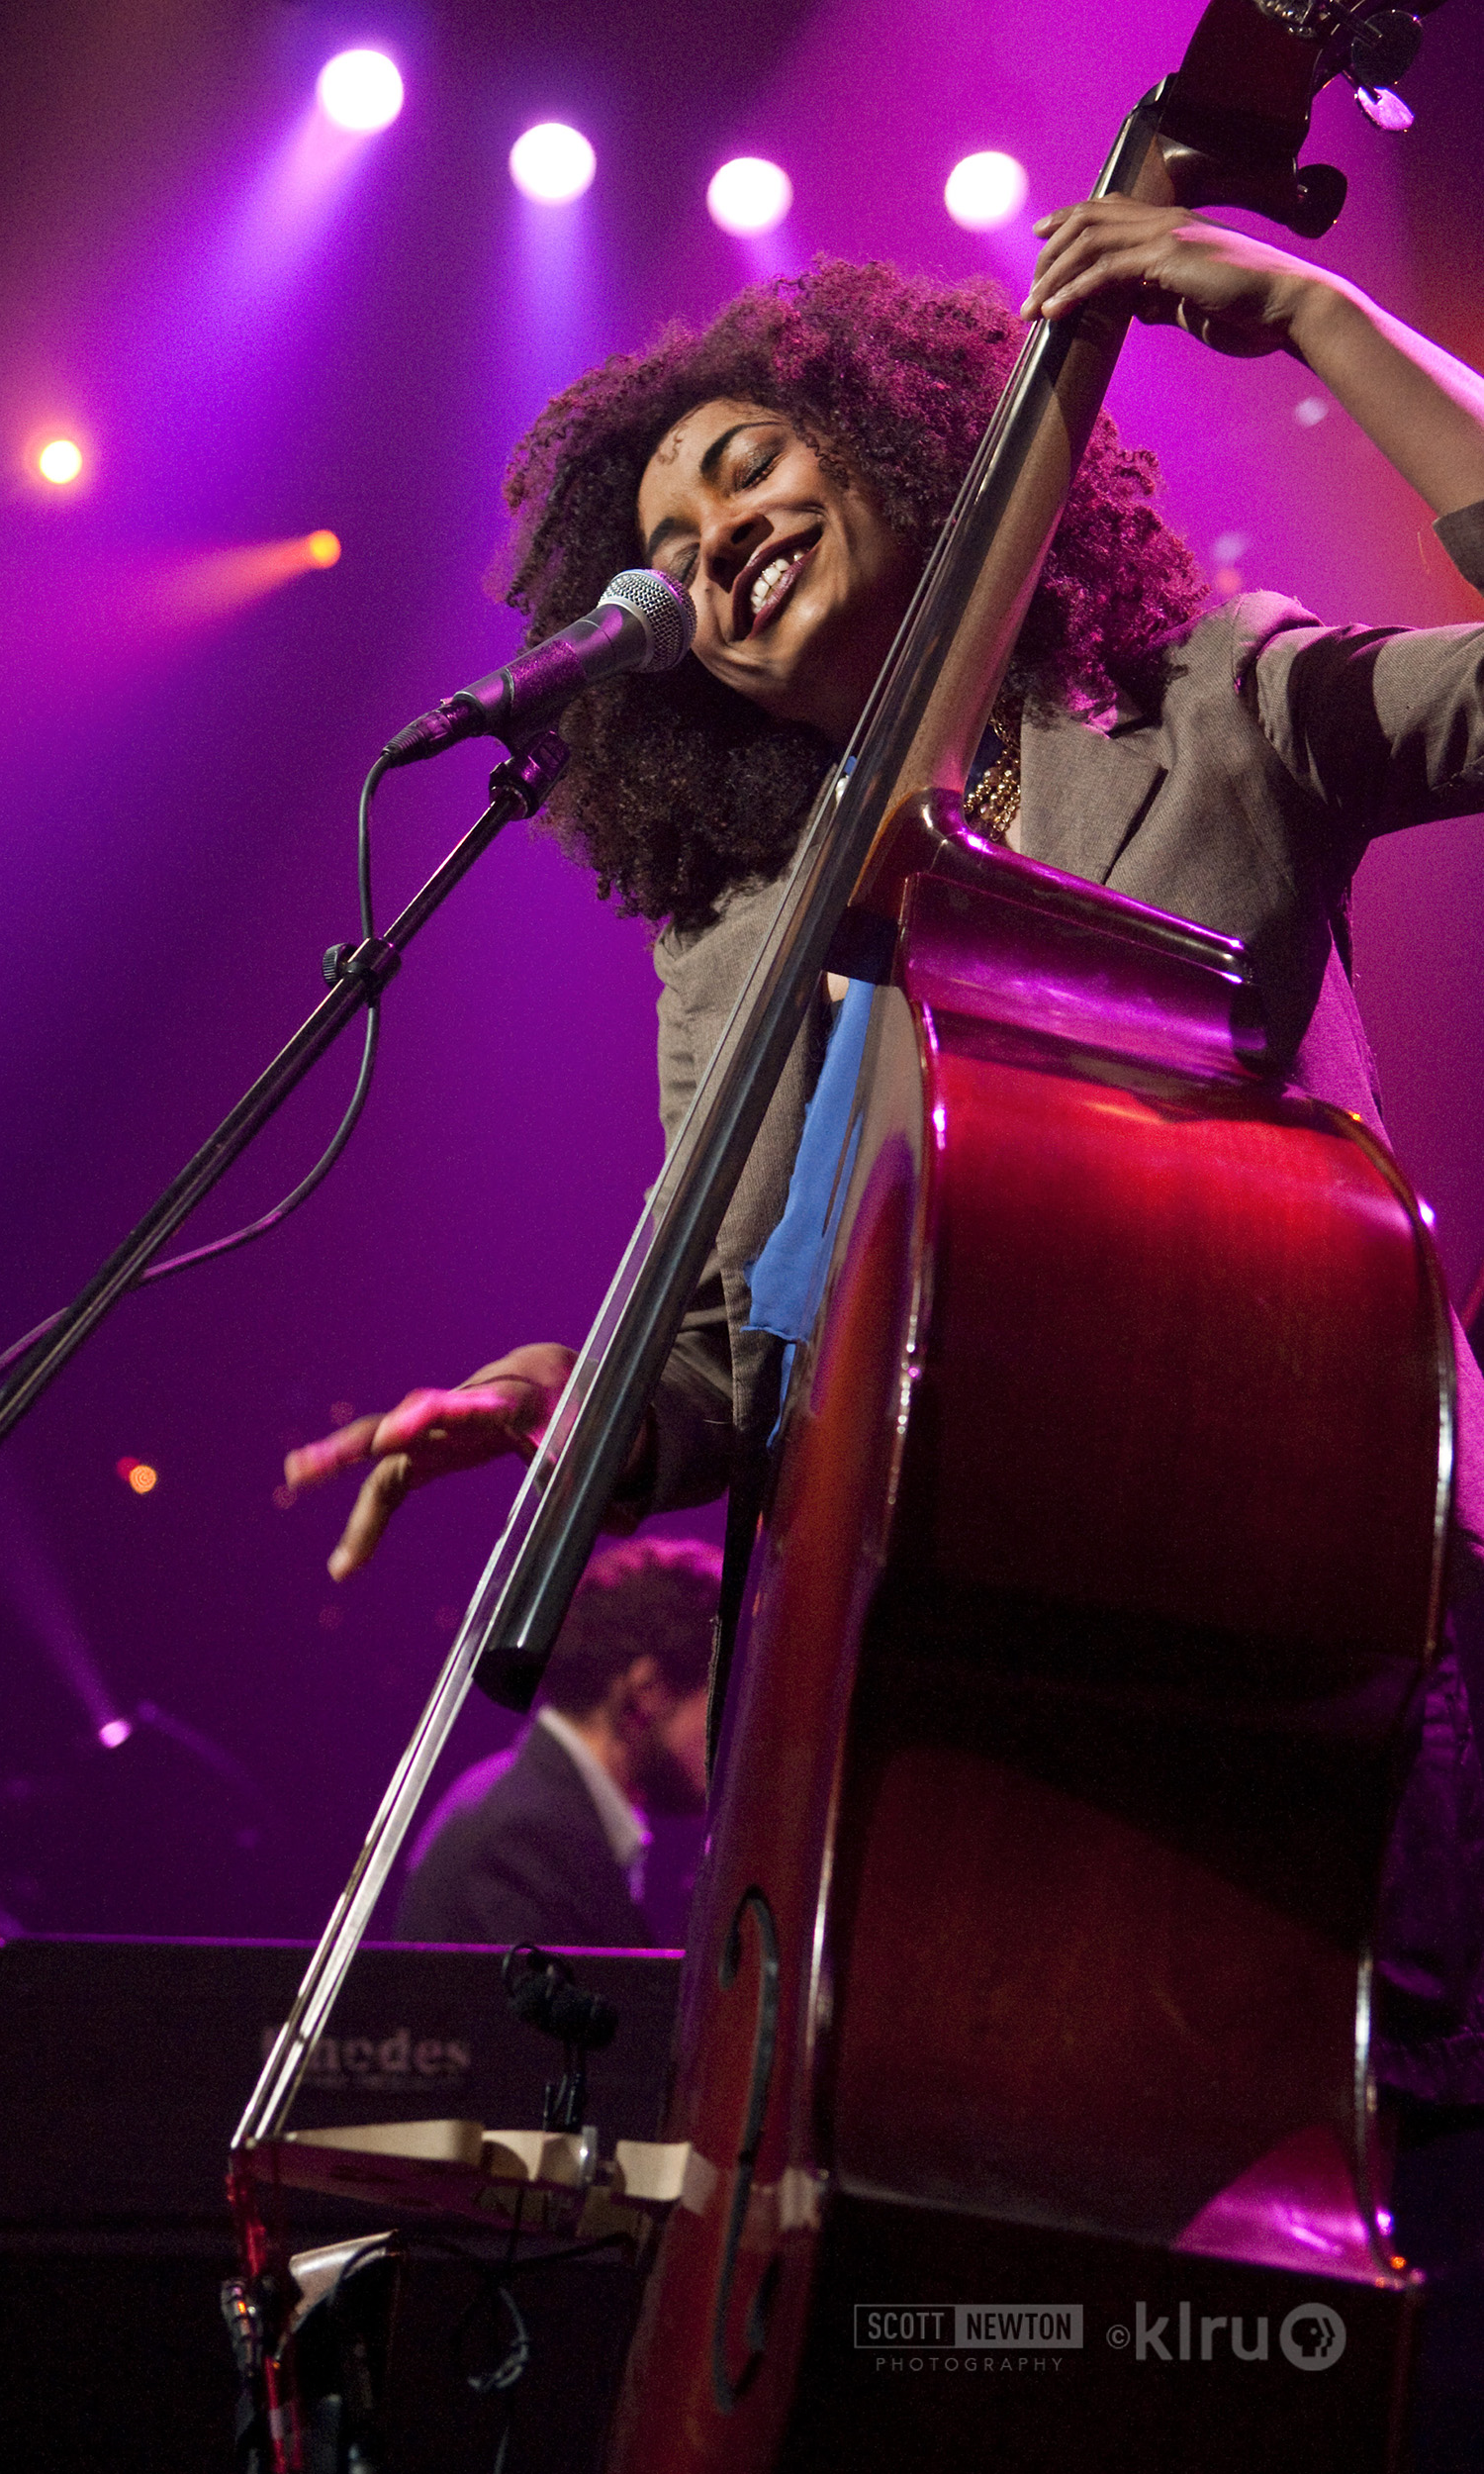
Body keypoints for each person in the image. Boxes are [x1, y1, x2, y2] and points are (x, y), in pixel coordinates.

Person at [286, 201, 1484, 2090]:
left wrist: (1321, 316)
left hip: (1289, 1644)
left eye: (743, 469)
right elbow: (737, 1350)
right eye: (663, 548)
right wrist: (580, 1404)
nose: (703, 552)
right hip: (917, 1714)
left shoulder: (1218, 704)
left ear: (902, 452)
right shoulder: (727, 940)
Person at [392, 1537, 716, 1948]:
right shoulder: (522, 1838)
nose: (731, 1741)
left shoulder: (538, 1812)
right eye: (718, 1703)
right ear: (648, 1691)